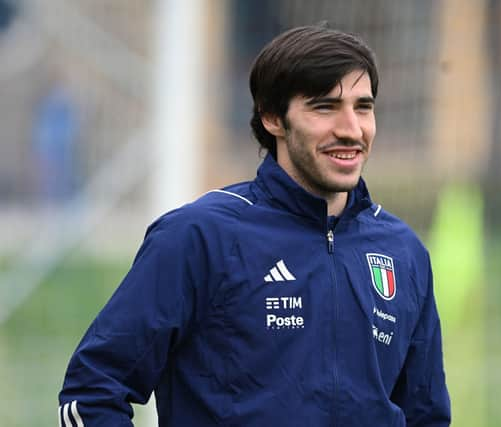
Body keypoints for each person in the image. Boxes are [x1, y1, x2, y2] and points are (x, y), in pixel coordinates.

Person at [58, 25, 451, 427]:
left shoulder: (401, 251)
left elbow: (427, 415)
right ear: (272, 118)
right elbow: (93, 390)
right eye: (324, 107)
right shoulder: (200, 237)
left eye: (363, 107)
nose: (351, 129)